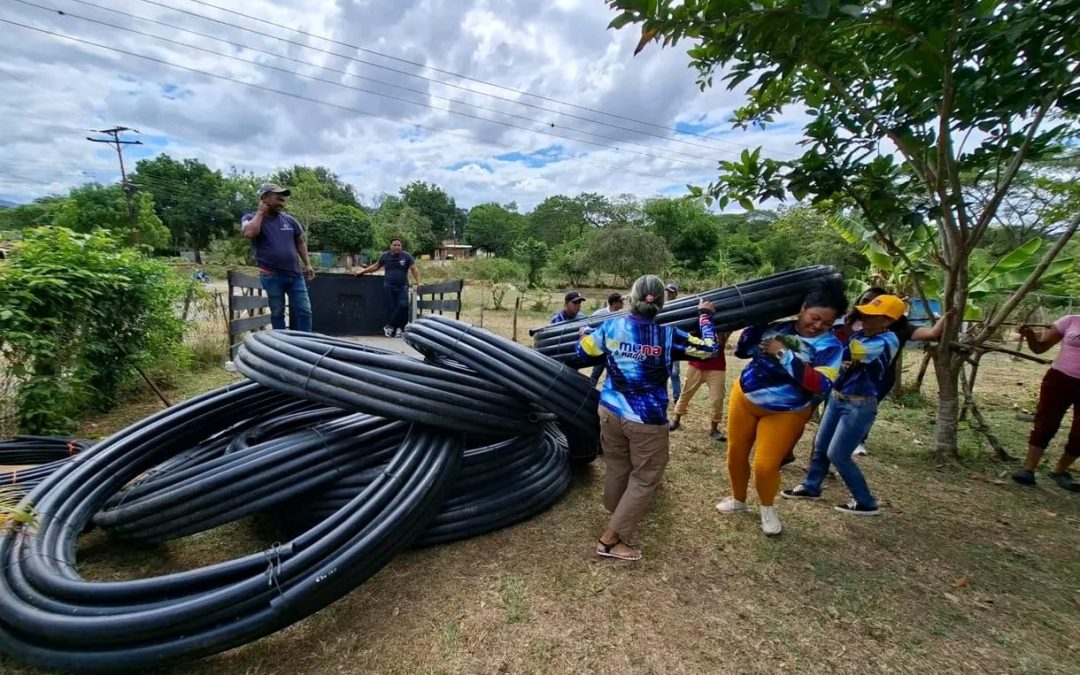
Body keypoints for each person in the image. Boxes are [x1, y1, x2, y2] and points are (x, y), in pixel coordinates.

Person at [578, 275, 719, 561]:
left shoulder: (611, 326)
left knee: (618, 466)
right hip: (647, 419)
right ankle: (610, 540)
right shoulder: (668, 336)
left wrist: (583, 335)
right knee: (645, 477)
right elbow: (708, 349)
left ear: (632, 298)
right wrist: (705, 317)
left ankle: (617, 512)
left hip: (610, 411)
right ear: (662, 302)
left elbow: (583, 351)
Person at [715, 287, 846, 536]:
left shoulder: (831, 347)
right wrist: (756, 324)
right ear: (802, 309)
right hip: (744, 397)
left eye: (827, 323)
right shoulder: (778, 328)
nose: (818, 326)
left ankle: (767, 508)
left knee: (765, 466)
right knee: (735, 454)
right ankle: (738, 500)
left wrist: (783, 353)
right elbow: (743, 350)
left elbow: (819, 384)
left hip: (786, 411)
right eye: (814, 317)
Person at [782, 294, 907, 515]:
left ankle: (865, 502)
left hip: (858, 406)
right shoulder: (862, 334)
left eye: (871, 315)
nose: (864, 317)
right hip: (838, 397)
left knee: (838, 454)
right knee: (821, 447)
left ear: (886, 321)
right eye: (864, 312)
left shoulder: (886, 341)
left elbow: (842, 352)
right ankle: (812, 487)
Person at [837, 287, 950, 455]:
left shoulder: (896, 332)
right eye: (865, 301)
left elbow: (932, 333)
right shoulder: (848, 322)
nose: (868, 306)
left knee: (861, 411)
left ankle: (857, 440)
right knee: (836, 410)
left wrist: (947, 317)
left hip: (875, 380)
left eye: (875, 303)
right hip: (844, 377)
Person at [1013, 316, 1080, 491]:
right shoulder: (1071, 321)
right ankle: (1028, 469)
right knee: (1046, 423)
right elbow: (1039, 348)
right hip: (1059, 380)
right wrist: (1029, 335)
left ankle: (1060, 471)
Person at [240, 183, 315, 331]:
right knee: (277, 312)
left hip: (295, 276)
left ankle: (307, 344)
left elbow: (300, 242)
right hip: (271, 276)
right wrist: (260, 213)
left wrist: (308, 264)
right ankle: (282, 345)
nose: (282, 203)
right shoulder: (250, 218)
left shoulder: (290, 221)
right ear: (265, 198)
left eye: (283, 200)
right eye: (278, 199)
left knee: (304, 311)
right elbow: (249, 233)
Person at [668, 333, 730, 442]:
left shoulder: (724, 325)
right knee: (686, 393)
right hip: (696, 365)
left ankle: (714, 429)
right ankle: (676, 420)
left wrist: (722, 334)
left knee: (717, 399)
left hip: (717, 367)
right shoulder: (699, 320)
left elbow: (724, 339)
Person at [355, 238, 420, 338]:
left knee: (403, 305)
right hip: (388, 286)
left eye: (399, 245)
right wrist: (362, 272)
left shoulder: (406, 256)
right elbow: (376, 266)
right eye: (395, 245)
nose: (397, 247)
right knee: (393, 309)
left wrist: (418, 282)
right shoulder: (385, 256)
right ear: (391, 246)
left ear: (401, 247)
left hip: (402, 286)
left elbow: (414, 269)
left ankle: (389, 326)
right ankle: (398, 329)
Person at [588, 293, 625, 385]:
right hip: (601, 350)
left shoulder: (622, 314)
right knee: (596, 373)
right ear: (614, 303)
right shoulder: (600, 313)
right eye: (621, 302)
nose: (622, 304)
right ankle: (590, 392)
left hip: (614, 350)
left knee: (611, 375)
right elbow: (589, 325)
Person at [666, 283, 682, 404]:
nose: (668, 294)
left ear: (676, 293)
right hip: (661, 342)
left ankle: (677, 397)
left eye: (671, 292)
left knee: (674, 372)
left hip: (674, 342)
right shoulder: (661, 305)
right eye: (667, 292)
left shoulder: (681, 306)